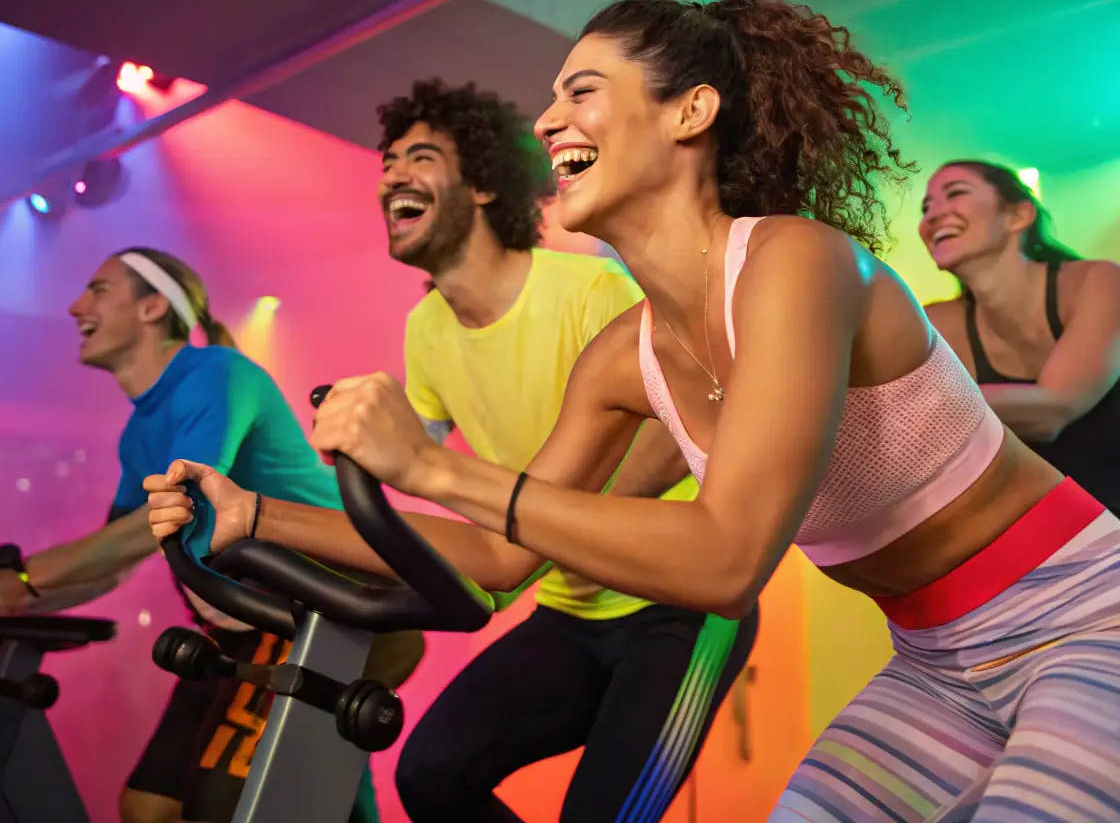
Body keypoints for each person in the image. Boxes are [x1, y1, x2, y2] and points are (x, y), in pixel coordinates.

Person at [153, 0, 1120, 821]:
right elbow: (491, 562)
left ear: (690, 112)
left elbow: (724, 560)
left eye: (580, 89)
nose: (546, 116)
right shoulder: (625, 356)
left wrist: (431, 463)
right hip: (937, 669)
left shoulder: (800, 265)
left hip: (1102, 631)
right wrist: (253, 515)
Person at [151, 78, 759, 822]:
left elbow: (677, 439)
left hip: (677, 606)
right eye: (388, 162)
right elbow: (425, 483)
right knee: (433, 777)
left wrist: (542, 529)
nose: (392, 177)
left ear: (477, 185)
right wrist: (258, 509)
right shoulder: (427, 331)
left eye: (420, 157)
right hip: (569, 612)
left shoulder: (590, 290)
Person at [0, 248, 400, 823]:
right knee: (149, 808)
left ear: (152, 306)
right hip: (244, 625)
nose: (75, 306)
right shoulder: (138, 431)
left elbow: (175, 507)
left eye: (99, 289)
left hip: (327, 608)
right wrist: (8, 604)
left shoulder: (215, 374)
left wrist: (23, 577)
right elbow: (112, 559)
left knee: (236, 807)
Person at [918, 158, 1120, 821]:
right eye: (924, 204)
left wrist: (929, 394)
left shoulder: (1095, 283)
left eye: (953, 193)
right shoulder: (942, 326)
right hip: (1109, 585)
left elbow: (1058, 402)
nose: (932, 213)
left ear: (1017, 214)